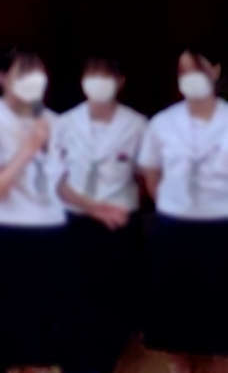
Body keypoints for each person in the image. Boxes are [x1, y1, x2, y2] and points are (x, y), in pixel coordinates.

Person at [0, 48, 67, 372]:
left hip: (49, 240)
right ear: (4, 79)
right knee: (2, 351)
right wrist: (28, 149)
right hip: (1, 240)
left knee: (41, 351)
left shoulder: (56, 124)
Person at [138, 45, 228, 373]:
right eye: (183, 71)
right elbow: (151, 176)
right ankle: (180, 366)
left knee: (219, 325)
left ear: (215, 71)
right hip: (174, 230)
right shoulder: (163, 123)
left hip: (221, 229)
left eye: (198, 69)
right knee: (175, 324)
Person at [58, 56, 147, 373]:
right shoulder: (63, 123)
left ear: (120, 82)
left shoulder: (138, 125)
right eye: (92, 74)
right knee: (73, 300)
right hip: (75, 221)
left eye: (106, 76)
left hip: (118, 224)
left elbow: (146, 177)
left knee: (114, 301)